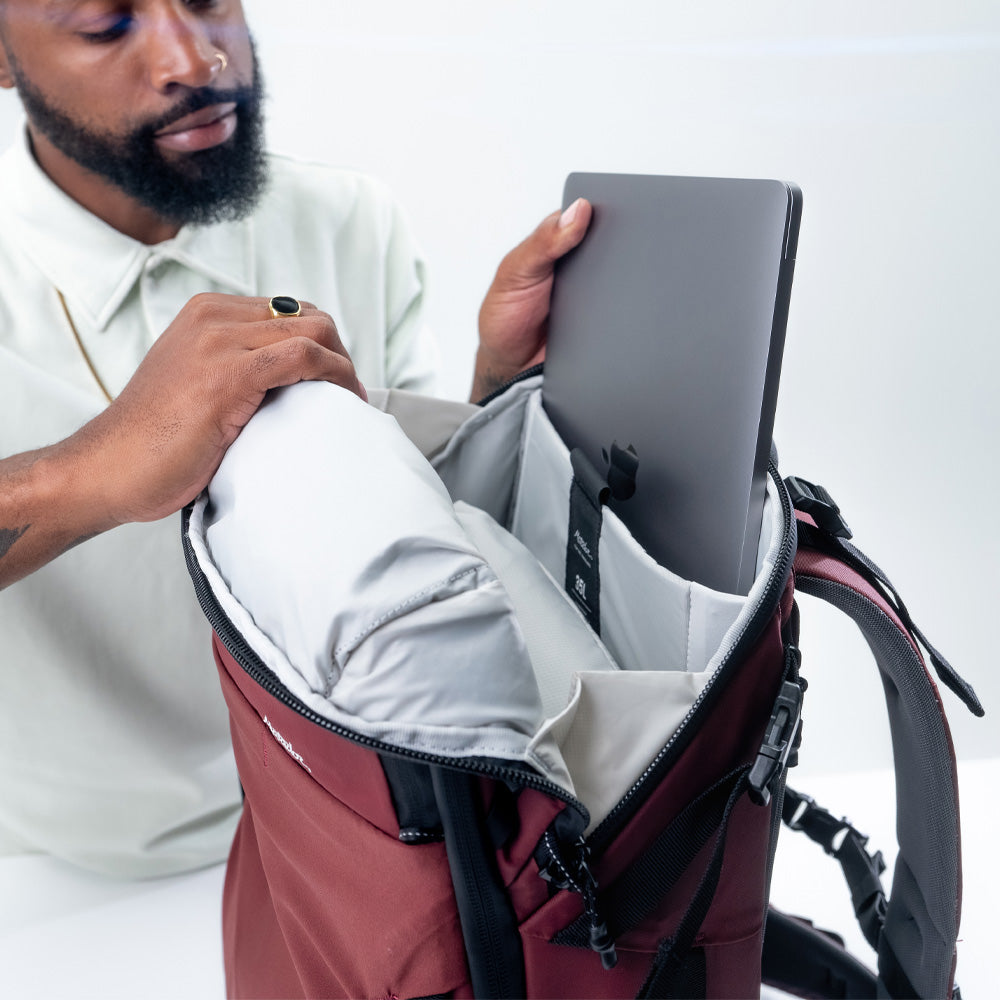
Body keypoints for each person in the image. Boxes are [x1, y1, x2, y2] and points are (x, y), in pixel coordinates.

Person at [0, 0, 591, 877]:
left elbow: (410, 546)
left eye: (208, 1)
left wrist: (502, 388)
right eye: (104, 23)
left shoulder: (345, 215)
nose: (197, 60)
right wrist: (84, 472)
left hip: (359, 848)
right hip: (58, 876)